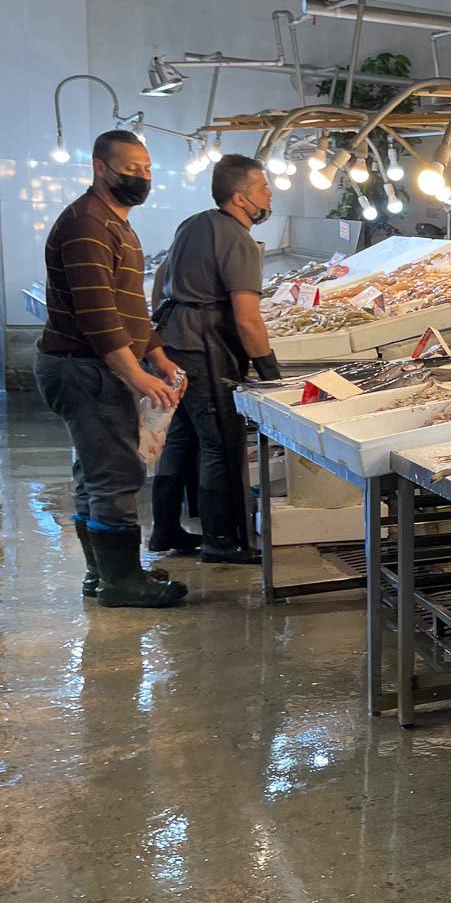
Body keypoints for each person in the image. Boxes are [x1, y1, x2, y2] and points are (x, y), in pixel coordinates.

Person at [34, 129, 189, 608]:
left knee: (94, 472)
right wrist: (134, 373)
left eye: (146, 169)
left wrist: (156, 352)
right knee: (115, 474)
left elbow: (130, 308)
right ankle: (121, 582)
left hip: (92, 365)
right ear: (101, 168)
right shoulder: (87, 225)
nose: (141, 177)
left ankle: (102, 574)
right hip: (84, 368)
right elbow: (98, 315)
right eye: (130, 168)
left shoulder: (116, 222)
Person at [150, 154, 282, 563]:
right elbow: (247, 320)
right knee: (219, 443)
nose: (270, 194)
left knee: (181, 437)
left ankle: (166, 530)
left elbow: (159, 281)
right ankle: (221, 541)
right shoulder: (238, 239)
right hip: (204, 347)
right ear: (241, 198)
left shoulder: (193, 223)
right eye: (263, 188)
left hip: (173, 337)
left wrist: (161, 341)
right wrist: (271, 374)